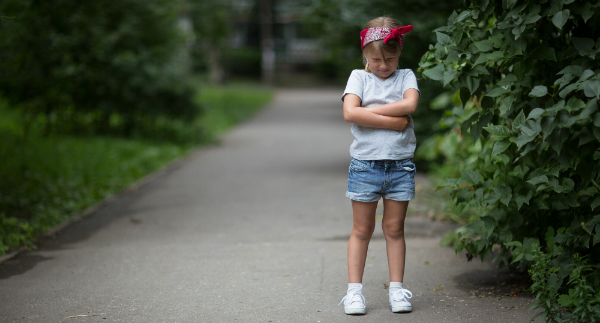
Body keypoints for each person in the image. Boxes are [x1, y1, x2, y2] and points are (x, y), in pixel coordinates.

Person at [338, 16, 419, 315]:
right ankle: (354, 293)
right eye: (375, 60)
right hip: (365, 166)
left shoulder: (406, 76)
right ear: (365, 56)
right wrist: (394, 122)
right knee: (362, 229)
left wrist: (368, 112)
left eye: (390, 59)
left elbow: (409, 106)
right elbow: (349, 113)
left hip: (400, 168)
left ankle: (397, 291)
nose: (383, 66)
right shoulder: (358, 78)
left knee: (394, 228)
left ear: (399, 52)